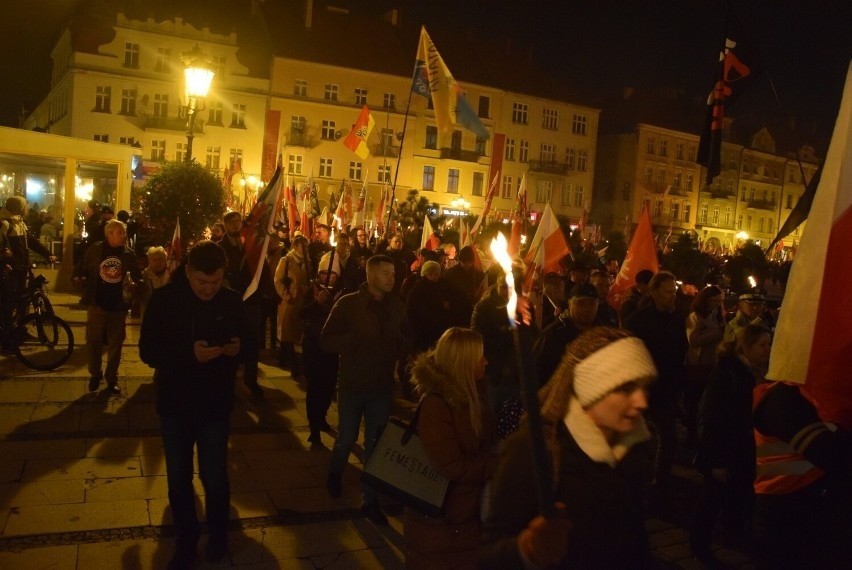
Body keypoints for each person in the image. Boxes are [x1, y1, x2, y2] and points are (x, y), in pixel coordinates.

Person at [481, 327, 657, 568]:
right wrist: (528, 549)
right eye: (625, 389)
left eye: (644, 387)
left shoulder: (634, 446)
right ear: (591, 389)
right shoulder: (534, 451)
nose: (642, 402)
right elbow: (489, 556)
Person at [139, 240, 254, 569]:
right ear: (188, 272)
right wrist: (189, 354)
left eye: (216, 282)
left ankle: (218, 536)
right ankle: (186, 541)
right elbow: (148, 351)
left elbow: (251, 343)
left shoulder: (231, 301)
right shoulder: (165, 301)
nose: (209, 289)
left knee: (215, 476)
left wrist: (238, 348)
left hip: (215, 404)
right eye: (203, 282)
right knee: (178, 478)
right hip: (175, 404)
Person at [320, 254, 411, 525]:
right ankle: (335, 471)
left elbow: (407, 335)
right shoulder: (348, 303)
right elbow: (325, 339)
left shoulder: (396, 305)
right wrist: (354, 341)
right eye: (386, 274)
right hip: (352, 384)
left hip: (381, 387)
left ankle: (369, 501)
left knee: (376, 443)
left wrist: (400, 345)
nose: (392, 279)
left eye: (393, 274)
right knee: (346, 437)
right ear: (370, 276)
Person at [405, 328, 498, 569]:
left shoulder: (477, 394)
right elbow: (452, 465)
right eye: (480, 356)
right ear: (463, 362)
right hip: (443, 523)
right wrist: (497, 464)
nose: (486, 361)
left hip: (465, 516)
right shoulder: (437, 405)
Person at [691, 324, 771, 564]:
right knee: (710, 501)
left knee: (737, 496)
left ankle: (732, 536)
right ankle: (700, 546)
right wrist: (715, 461)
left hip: (741, 450)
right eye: (762, 345)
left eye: (769, 344)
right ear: (745, 347)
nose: (767, 349)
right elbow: (711, 417)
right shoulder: (728, 374)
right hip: (723, 451)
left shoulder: (752, 371)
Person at [625, 271, 688, 494]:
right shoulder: (638, 320)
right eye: (668, 292)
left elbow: (681, 350)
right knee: (635, 439)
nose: (673, 296)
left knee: (668, 437)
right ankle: (633, 480)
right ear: (653, 292)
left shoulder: (677, 318)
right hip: (642, 387)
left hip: (666, 388)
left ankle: (660, 481)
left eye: (674, 292)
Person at [74, 219, 142, 395]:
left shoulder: (128, 254)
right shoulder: (95, 250)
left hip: (118, 305)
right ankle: (95, 374)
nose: (124, 236)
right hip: (97, 303)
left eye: (124, 233)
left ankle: (112, 378)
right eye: (120, 233)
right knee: (94, 341)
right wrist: (78, 279)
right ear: (109, 234)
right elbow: (80, 268)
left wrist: (134, 284)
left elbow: (137, 276)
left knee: (115, 344)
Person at [219, 210, 268, 399]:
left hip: (251, 301)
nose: (235, 225)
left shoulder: (250, 245)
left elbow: (262, 269)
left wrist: (259, 291)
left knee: (252, 343)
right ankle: (228, 382)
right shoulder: (220, 247)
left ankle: (251, 380)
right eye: (231, 222)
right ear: (225, 225)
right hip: (230, 303)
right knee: (230, 343)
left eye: (237, 221)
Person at [301, 253, 340, 447]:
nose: (328, 277)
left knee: (327, 388)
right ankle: (314, 428)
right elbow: (301, 313)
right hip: (313, 348)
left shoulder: (340, 293)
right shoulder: (312, 289)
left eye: (332, 274)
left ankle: (322, 417)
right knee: (314, 389)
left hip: (330, 350)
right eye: (325, 273)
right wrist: (316, 303)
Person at [534, 283, 600, 387]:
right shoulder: (552, 335)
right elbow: (537, 372)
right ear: (570, 304)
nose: (587, 309)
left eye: (591, 304)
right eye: (581, 303)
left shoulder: (601, 334)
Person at [684, 285, 726, 447]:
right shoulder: (695, 317)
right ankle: (692, 436)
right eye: (714, 300)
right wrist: (716, 334)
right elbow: (693, 341)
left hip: (713, 364)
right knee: (695, 403)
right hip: (698, 365)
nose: (717, 304)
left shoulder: (718, 316)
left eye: (720, 301)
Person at [274, 234, 309, 377]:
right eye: (303, 246)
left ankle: (286, 360)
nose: (306, 249)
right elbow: (278, 280)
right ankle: (293, 366)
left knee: (296, 334)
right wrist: (286, 295)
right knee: (287, 333)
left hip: (303, 302)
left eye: (307, 246)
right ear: (295, 246)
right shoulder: (286, 260)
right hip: (289, 302)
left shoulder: (308, 261)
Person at [140, 246, 170, 320]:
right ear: (149, 261)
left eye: (161, 259)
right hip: (149, 318)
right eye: (155, 260)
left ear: (166, 260)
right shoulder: (143, 276)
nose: (158, 262)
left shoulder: (172, 275)